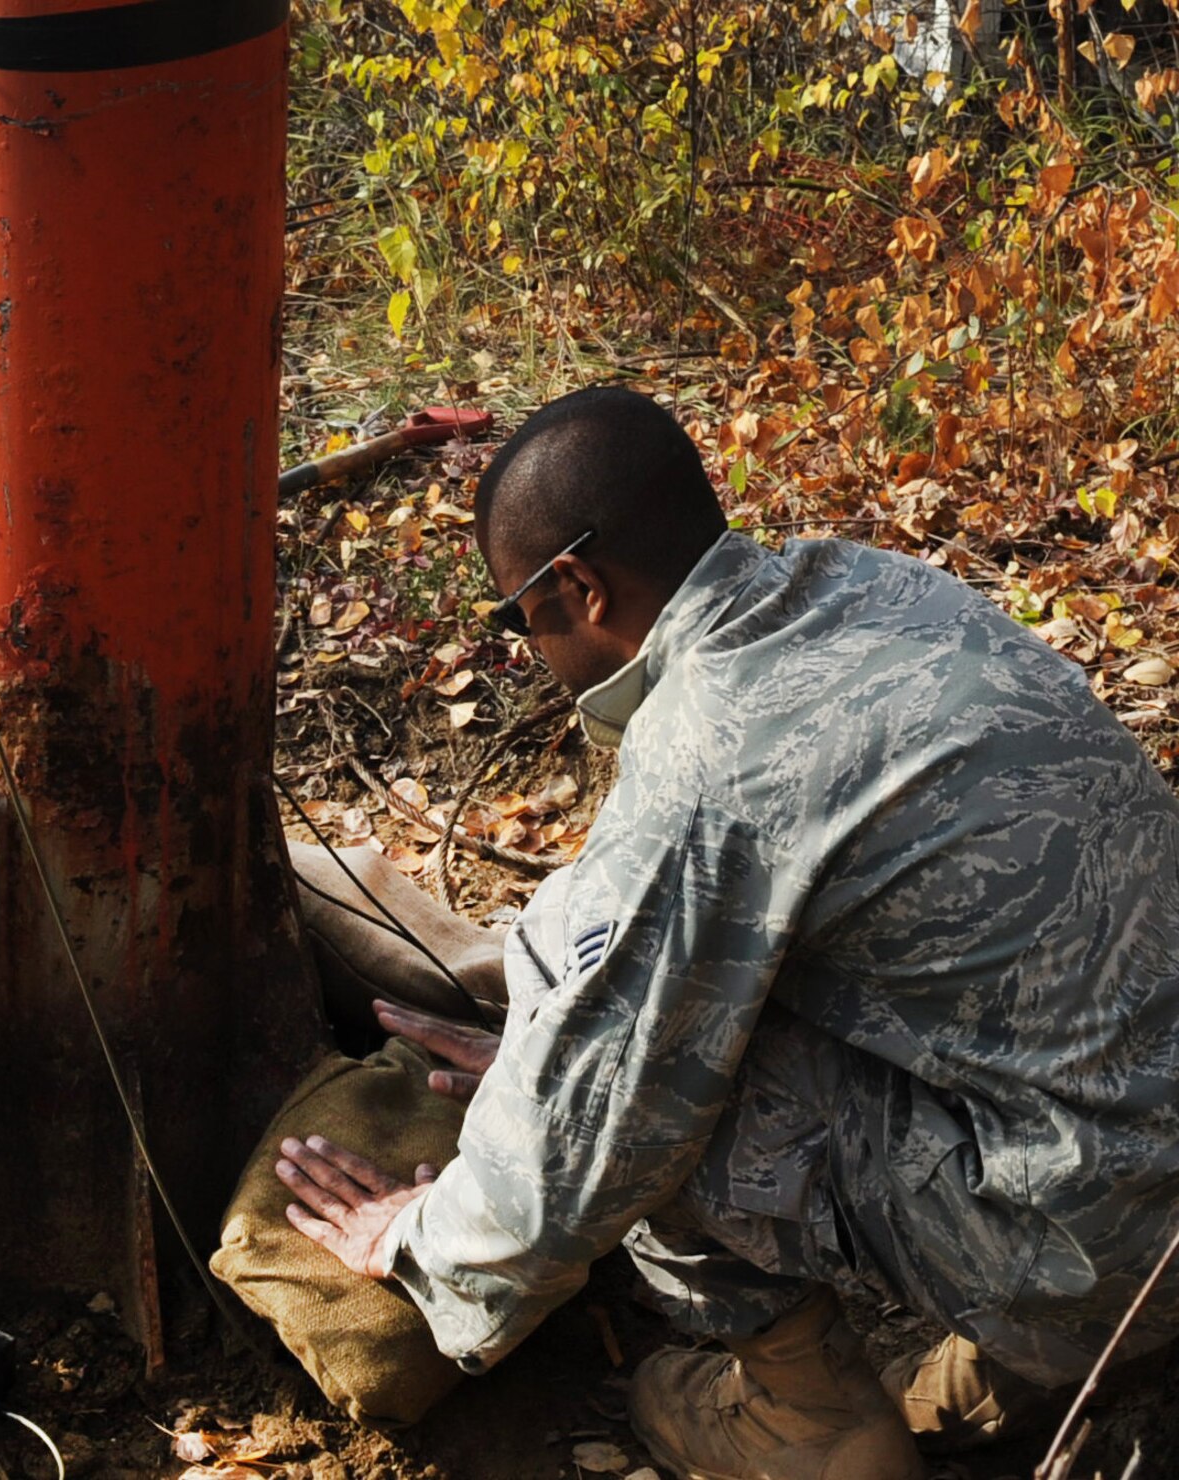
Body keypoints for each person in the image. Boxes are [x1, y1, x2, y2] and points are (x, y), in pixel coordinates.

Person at [275, 386, 1179, 1478]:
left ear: (576, 585)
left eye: (520, 618)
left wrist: (421, 1239)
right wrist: (551, 1038)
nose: (530, 649)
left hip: (1107, 1252)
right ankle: (1018, 1360)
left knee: (667, 1106)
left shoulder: (710, 751)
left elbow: (605, 1114)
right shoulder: (873, 586)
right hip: (1132, 1147)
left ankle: (808, 1420)